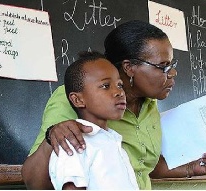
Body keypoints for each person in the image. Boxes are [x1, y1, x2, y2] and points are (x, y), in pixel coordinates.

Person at [22, 20, 206, 190]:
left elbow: (140, 166)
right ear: (129, 68)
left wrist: (191, 168)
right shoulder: (77, 99)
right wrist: (52, 136)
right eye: (163, 66)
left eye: (172, 65)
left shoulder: (149, 104)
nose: (172, 73)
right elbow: (35, 180)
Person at [48, 51, 138, 190]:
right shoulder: (74, 143)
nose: (119, 92)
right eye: (105, 86)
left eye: (120, 85)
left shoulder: (113, 141)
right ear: (78, 100)